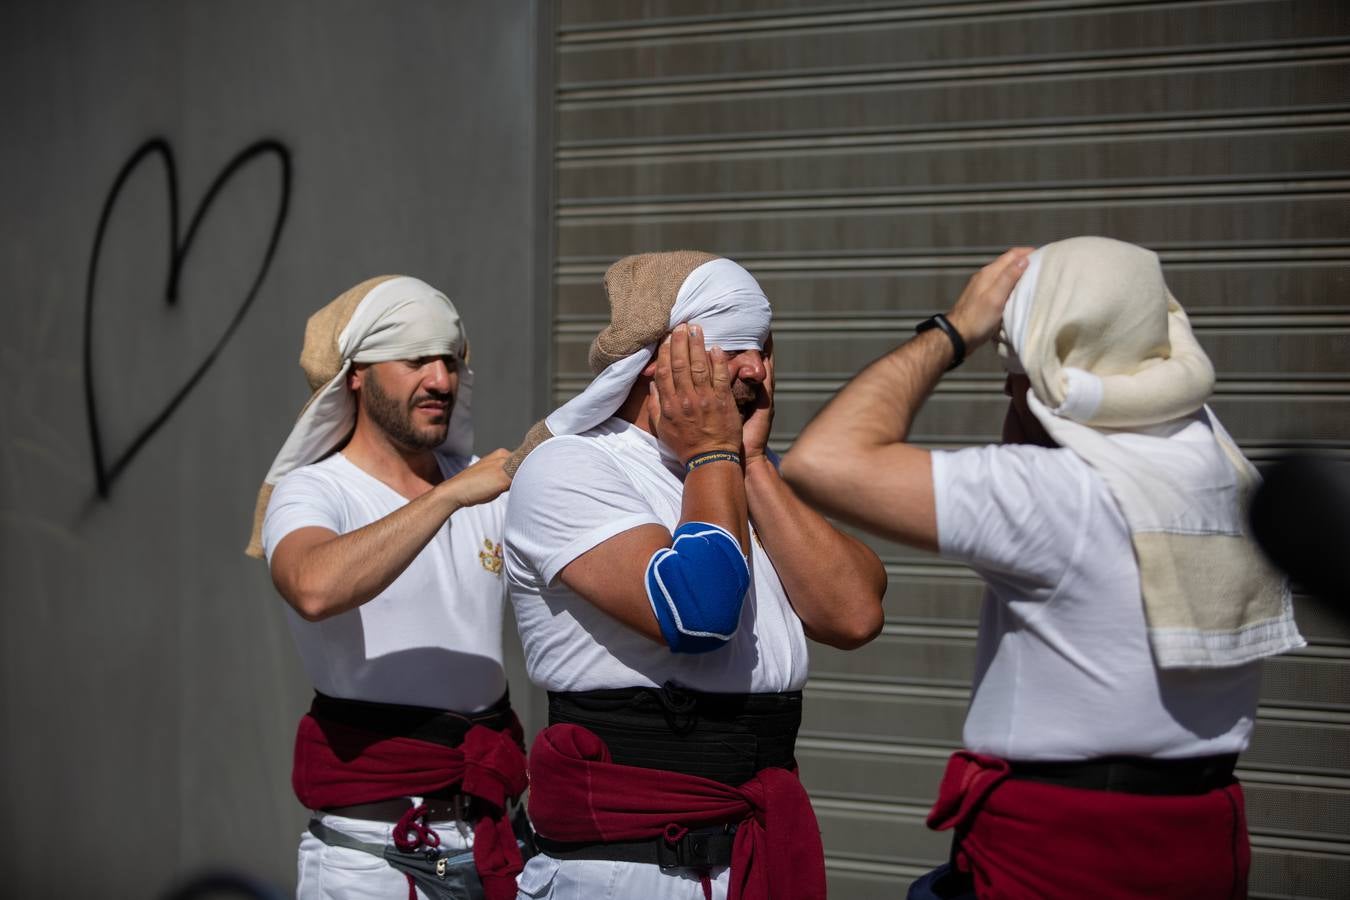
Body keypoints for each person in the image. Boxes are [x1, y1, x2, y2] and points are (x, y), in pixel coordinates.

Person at [781, 238, 1304, 900]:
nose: (1008, 393)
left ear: (1045, 369)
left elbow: (821, 461)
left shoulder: (1062, 493)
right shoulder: (1225, 474)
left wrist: (953, 331)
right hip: (1206, 838)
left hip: (1059, 849)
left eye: (1014, 371)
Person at [502, 251, 887, 900]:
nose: (758, 369)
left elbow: (854, 614)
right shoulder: (571, 467)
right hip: (634, 868)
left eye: (765, 349)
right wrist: (714, 452)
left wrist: (752, 462)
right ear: (659, 357)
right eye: (736, 347)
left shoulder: (733, 477)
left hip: (750, 846)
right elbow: (696, 611)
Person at [245, 275, 528, 900]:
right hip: (369, 857)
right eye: (415, 360)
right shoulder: (316, 490)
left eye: (449, 360)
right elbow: (312, 587)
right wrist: (451, 496)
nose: (441, 380)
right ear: (356, 374)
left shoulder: (487, 487)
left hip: (488, 837)